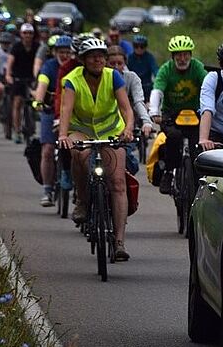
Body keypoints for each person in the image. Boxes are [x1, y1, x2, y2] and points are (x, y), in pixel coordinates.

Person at [57, 38, 135, 261]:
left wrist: (128, 129)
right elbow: (66, 109)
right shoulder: (72, 80)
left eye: (101, 56)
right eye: (92, 57)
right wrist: (63, 135)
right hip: (81, 130)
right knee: (79, 154)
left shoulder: (113, 76)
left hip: (110, 131)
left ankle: (119, 242)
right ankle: (82, 200)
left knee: (118, 183)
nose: (98, 60)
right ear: (83, 60)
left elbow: (126, 108)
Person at [149, 35, 209, 194]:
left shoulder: (197, 67)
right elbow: (157, 90)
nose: (182, 59)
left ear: (190, 55)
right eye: (178, 55)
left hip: (195, 113)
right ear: (173, 56)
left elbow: (208, 86)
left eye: (185, 55)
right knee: (173, 138)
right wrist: (154, 111)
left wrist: (210, 108)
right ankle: (169, 173)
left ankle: (199, 181)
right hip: (172, 114)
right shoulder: (166, 69)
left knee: (198, 146)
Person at [32, 35, 73, 206]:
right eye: (61, 52)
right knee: (48, 150)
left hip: (72, 114)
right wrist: (38, 101)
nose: (64, 55)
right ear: (55, 52)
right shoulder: (49, 66)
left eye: (67, 52)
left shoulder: (75, 67)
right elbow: (42, 84)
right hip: (50, 111)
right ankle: (47, 190)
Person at [106, 45, 154, 173]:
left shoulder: (131, 78)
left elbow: (138, 101)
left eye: (119, 63)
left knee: (125, 159)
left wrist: (146, 121)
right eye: (112, 64)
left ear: (125, 63)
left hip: (125, 126)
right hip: (103, 127)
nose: (116, 67)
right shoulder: (99, 78)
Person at [5, 22, 40, 143]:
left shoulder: (37, 46)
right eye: (25, 33)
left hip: (32, 78)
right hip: (18, 78)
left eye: (30, 33)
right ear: (21, 34)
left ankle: (32, 122)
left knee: (34, 100)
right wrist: (8, 75)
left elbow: (40, 61)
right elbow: (10, 62)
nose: (27, 35)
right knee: (17, 103)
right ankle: (17, 130)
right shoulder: (16, 47)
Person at [126, 34, 158, 105]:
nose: (139, 49)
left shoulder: (149, 57)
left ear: (145, 47)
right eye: (136, 46)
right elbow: (125, 71)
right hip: (133, 87)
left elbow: (155, 70)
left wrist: (158, 79)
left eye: (142, 46)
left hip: (147, 87)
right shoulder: (130, 58)